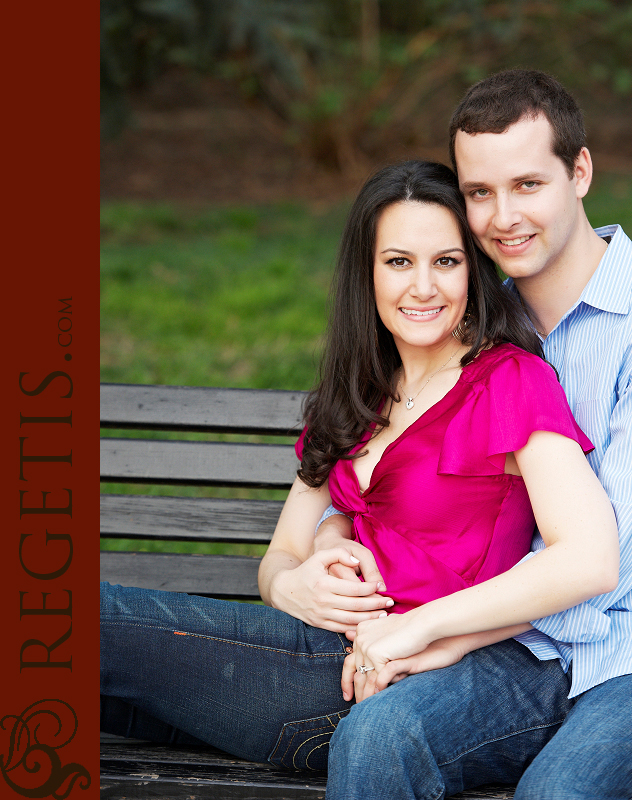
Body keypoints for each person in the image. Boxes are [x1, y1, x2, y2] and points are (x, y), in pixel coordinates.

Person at [100, 159, 617, 777]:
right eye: (399, 261)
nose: (423, 287)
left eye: (445, 262)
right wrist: (296, 584)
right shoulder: (359, 392)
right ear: (366, 274)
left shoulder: (509, 381)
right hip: (326, 661)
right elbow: (283, 554)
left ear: (473, 272)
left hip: (455, 671)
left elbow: (589, 556)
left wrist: (415, 629)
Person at [324, 70, 632, 800]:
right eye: (479, 193)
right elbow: (386, 457)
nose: (502, 218)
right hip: (516, 652)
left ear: (580, 171)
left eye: (528, 185)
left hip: (618, 656)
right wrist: (327, 548)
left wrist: (433, 631)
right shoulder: (473, 321)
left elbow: (601, 557)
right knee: (376, 739)